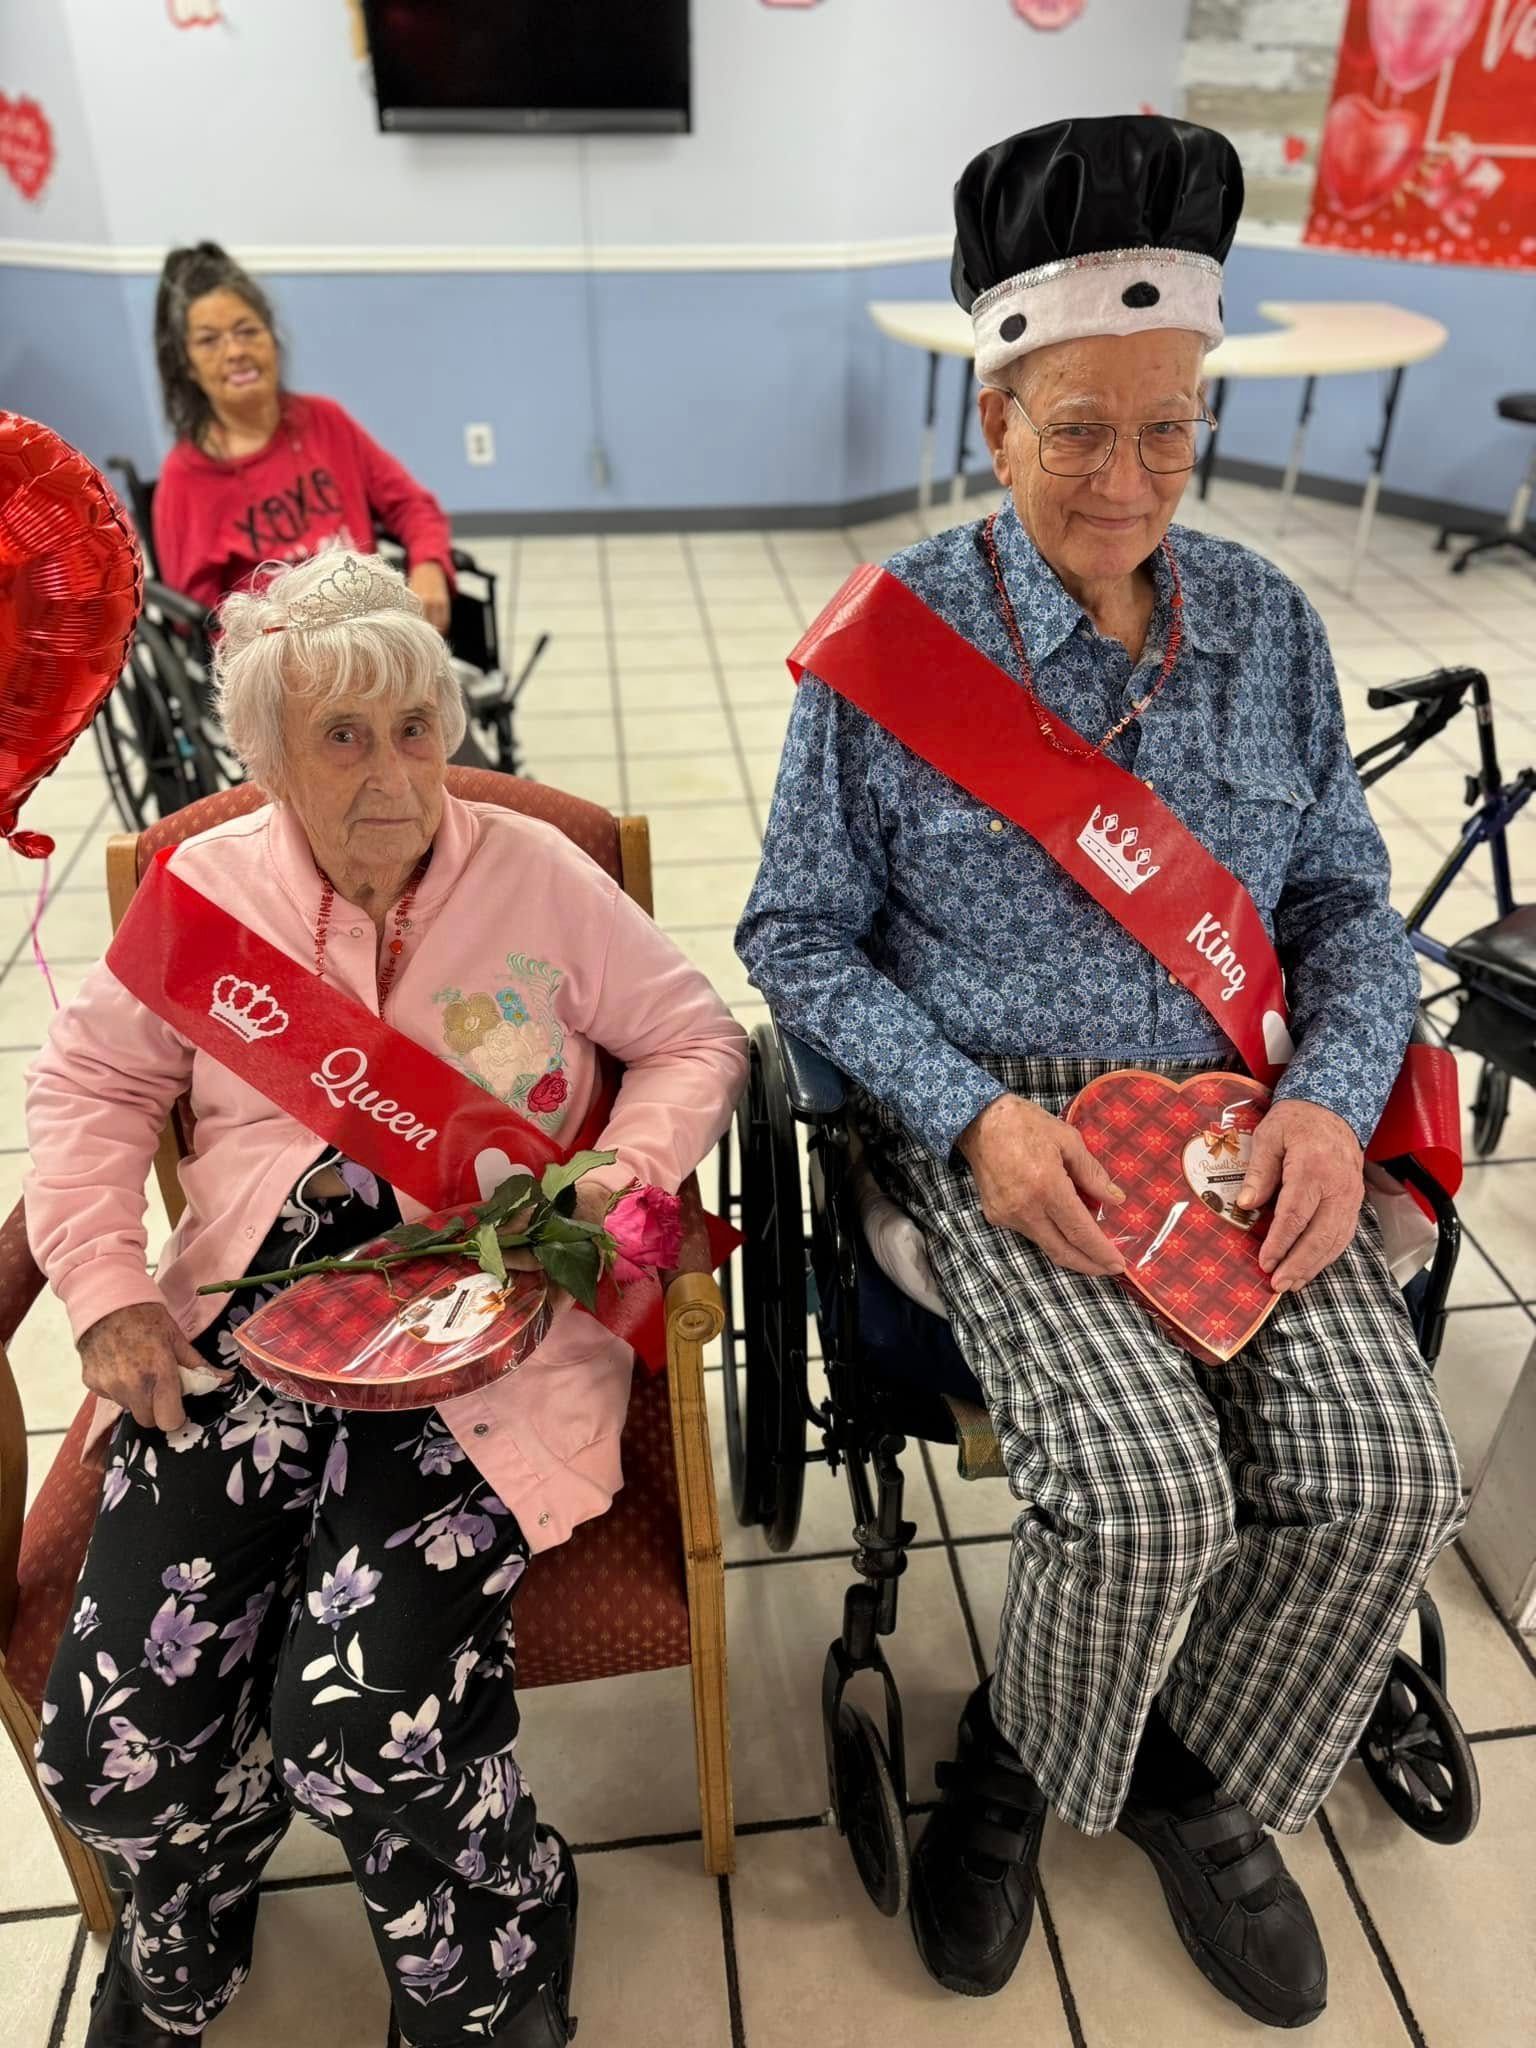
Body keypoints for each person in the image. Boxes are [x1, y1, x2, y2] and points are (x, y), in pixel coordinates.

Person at [737, 116, 1462, 2031]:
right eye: (1078, 429)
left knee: (1390, 1479)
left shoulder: (1273, 630)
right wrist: (970, 1116)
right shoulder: (889, 652)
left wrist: (1327, 1097)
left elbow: (1344, 912)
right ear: (997, 418)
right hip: (1024, 1128)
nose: (1127, 477)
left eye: (1167, 427)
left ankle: (1183, 1769)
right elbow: (794, 937)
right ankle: (1015, 1758)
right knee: (1142, 1500)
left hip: (1242, 1117)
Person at [27, 550, 747, 2048]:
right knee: (115, 1742)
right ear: (268, 756)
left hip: (480, 1349)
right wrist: (104, 1286)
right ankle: (195, 1901)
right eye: (342, 737)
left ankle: (493, 1937)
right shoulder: (207, 891)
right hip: (238, 1347)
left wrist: (619, 1176)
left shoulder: (538, 876)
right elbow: (92, 1088)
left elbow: (693, 1039)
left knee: (364, 1733)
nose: (391, 772)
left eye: (415, 728)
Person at [149, 242, 455, 630]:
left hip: (371, 633)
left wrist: (428, 564)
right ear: (188, 366)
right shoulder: (186, 477)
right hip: (279, 665)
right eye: (209, 340)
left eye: (247, 331)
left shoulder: (326, 422)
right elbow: (197, 624)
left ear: (272, 341)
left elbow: (412, 505)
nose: (235, 352)